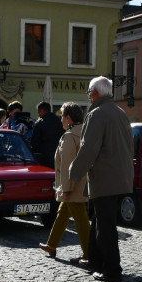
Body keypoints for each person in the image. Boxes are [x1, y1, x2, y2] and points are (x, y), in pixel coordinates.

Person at [67, 76, 133, 282]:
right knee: (99, 220)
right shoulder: (120, 113)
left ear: (95, 93)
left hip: (105, 178)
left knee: (106, 228)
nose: (88, 96)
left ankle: (112, 271)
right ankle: (95, 260)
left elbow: (89, 148)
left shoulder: (97, 114)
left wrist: (73, 172)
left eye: (89, 92)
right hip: (120, 177)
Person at [39, 102, 89, 262]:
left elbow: (68, 165)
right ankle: (51, 245)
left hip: (72, 184)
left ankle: (89, 253)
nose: (60, 120)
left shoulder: (69, 136)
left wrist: (66, 189)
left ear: (68, 118)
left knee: (81, 219)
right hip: (82, 182)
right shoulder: (85, 132)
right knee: (62, 213)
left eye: (62, 116)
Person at [30, 101, 64, 169]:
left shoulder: (39, 123)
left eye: (38, 111)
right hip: (59, 154)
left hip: (44, 157)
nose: (38, 114)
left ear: (41, 110)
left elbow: (34, 142)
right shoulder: (60, 121)